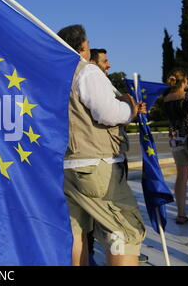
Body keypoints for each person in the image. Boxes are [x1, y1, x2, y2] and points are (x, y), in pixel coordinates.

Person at [57, 25, 146, 266]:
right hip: (97, 165)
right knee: (124, 230)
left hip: (68, 166)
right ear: (83, 47)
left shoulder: (56, 73)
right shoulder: (87, 72)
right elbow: (105, 113)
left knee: (77, 233)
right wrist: (130, 110)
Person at [163, 68, 188, 225]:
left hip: (176, 140)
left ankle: (181, 214)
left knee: (181, 177)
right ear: (184, 81)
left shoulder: (167, 98)